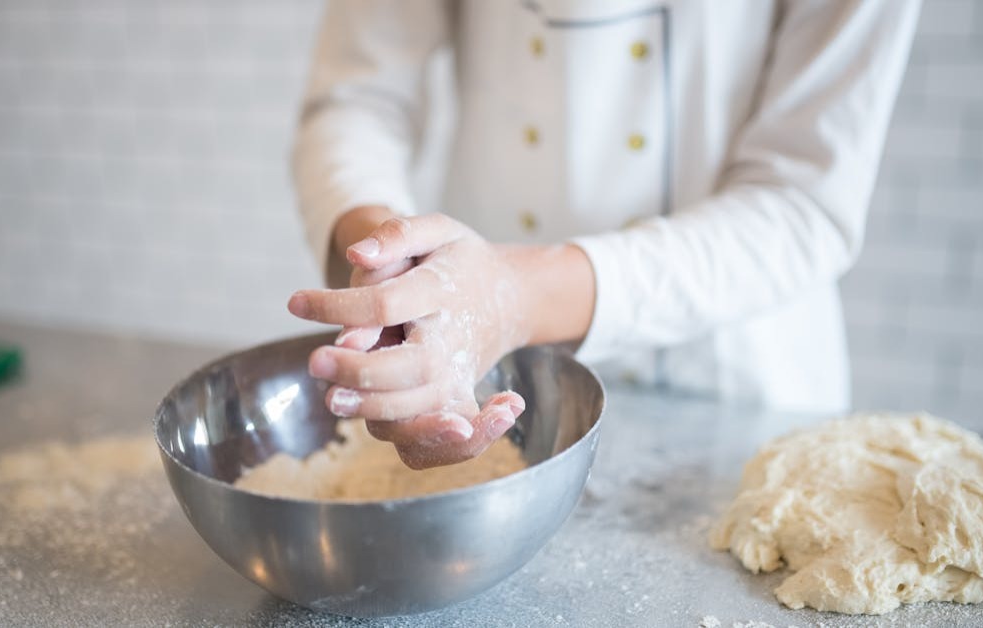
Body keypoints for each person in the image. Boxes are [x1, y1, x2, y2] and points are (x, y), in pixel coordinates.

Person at [287, 1, 920, 469]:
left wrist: (513, 295)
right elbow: (359, 99)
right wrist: (395, 267)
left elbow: (803, 201)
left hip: (734, 382)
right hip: (485, 369)